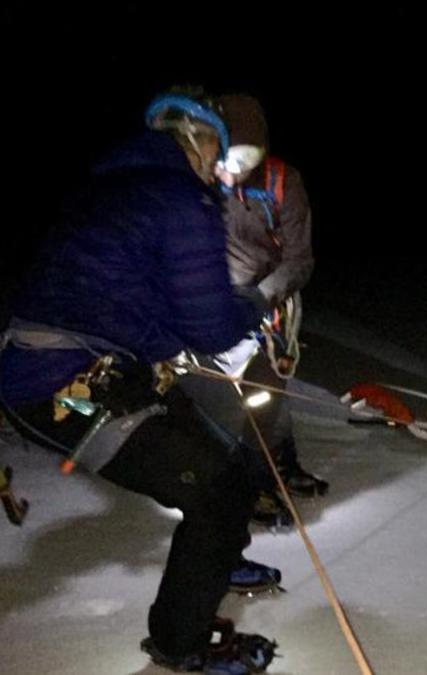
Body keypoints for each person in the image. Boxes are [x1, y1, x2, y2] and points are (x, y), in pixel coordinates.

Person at [0, 89, 277, 671]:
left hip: (73, 372)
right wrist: (250, 307)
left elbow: (127, 305)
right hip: (63, 389)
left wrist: (162, 349)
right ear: (200, 144)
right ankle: (182, 643)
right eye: (222, 155)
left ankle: (217, 558)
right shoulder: (181, 199)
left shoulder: (110, 187)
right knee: (217, 490)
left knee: (233, 467)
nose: (221, 170)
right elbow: (211, 325)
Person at [178, 94, 324, 534]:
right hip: (211, 305)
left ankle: (277, 467)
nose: (232, 168)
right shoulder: (197, 180)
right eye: (225, 156)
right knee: (220, 399)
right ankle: (241, 480)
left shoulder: (282, 183)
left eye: (245, 158)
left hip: (266, 303)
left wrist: (261, 298)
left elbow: (299, 260)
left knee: (266, 391)